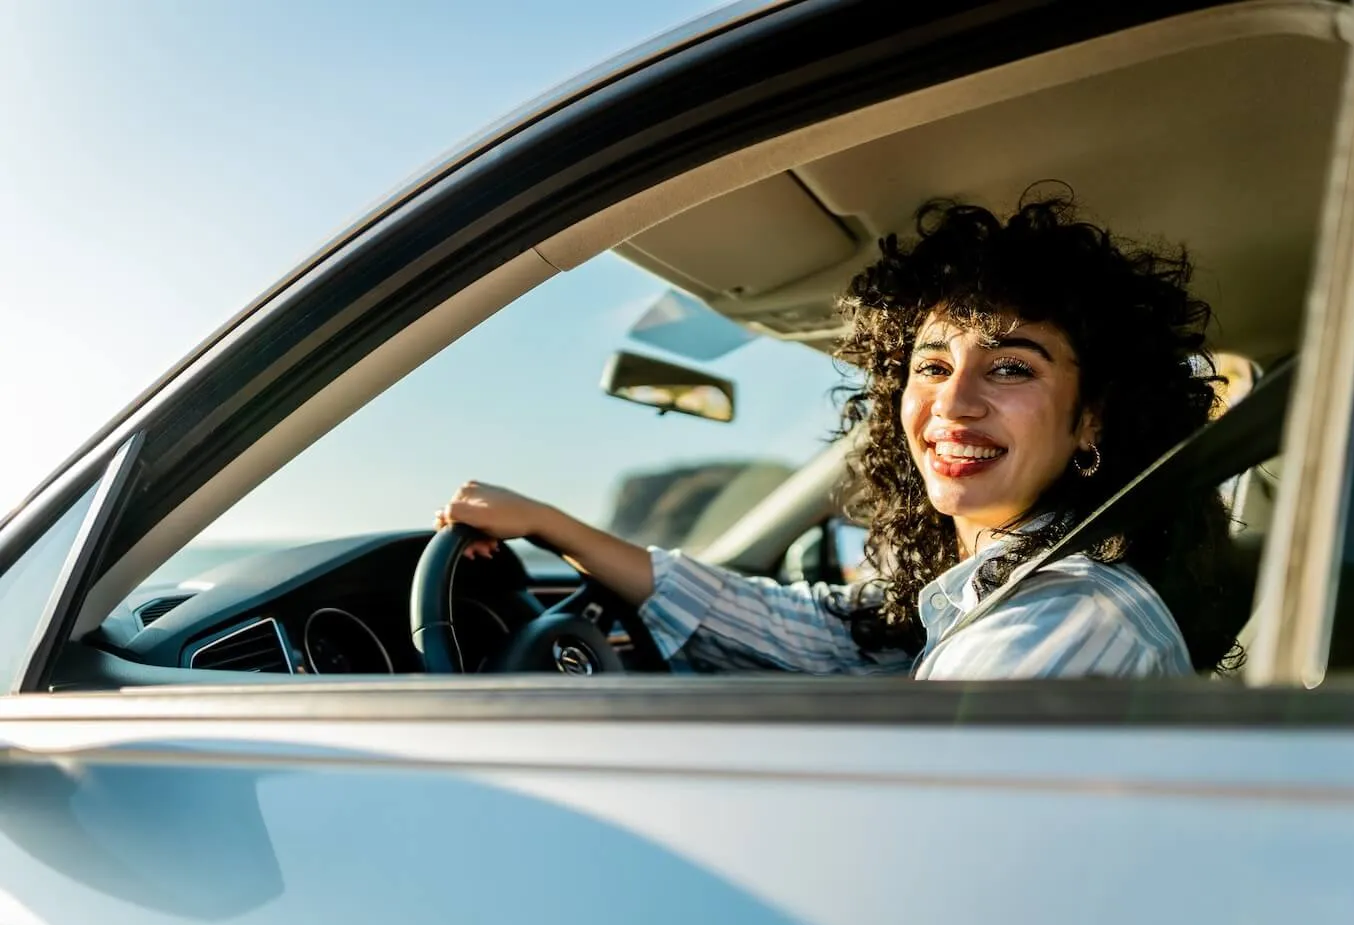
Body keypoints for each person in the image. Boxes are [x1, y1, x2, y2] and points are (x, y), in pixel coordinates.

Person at [436, 195, 1240, 679]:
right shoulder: (992, 587)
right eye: (931, 366)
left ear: (1094, 415)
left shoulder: (1065, 627)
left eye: (1011, 370)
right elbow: (817, 631)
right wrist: (553, 526)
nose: (952, 404)